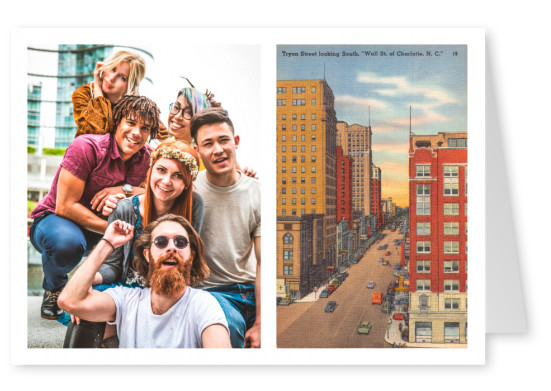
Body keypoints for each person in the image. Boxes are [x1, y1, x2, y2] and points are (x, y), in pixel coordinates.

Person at [61, 139, 204, 348]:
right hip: (126, 287)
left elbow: (190, 261)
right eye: (161, 170)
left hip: (168, 288)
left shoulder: (194, 205)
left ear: (186, 183)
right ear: (151, 171)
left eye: (178, 175)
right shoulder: (125, 209)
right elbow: (113, 266)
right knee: (83, 311)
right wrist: (91, 279)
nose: (166, 181)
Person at [29, 94, 160, 320]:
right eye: (130, 122)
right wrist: (112, 231)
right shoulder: (86, 147)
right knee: (67, 244)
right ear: (117, 121)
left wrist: (124, 188)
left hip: (106, 230)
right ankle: (54, 287)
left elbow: (158, 191)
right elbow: (65, 206)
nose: (137, 132)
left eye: (145, 127)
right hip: (56, 221)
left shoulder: (150, 159)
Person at [58, 215, 231, 348]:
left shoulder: (203, 305)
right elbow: (69, 301)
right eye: (161, 242)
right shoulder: (126, 299)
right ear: (147, 255)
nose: (171, 247)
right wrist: (107, 243)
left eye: (180, 242)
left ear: (191, 257)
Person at [190, 107, 261, 348]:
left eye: (223, 140)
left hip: (254, 290)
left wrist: (261, 322)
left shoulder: (257, 192)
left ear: (236, 142)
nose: (218, 149)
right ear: (197, 151)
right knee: (228, 329)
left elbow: (263, 262)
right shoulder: (189, 191)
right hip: (214, 293)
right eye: (208, 144)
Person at [72, 50, 146, 138]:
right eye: (113, 69)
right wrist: (98, 89)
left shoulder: (133, 108)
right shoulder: (83, 94)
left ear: (131, 86)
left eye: (122, 77)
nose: (111, 78)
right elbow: (96, 132)